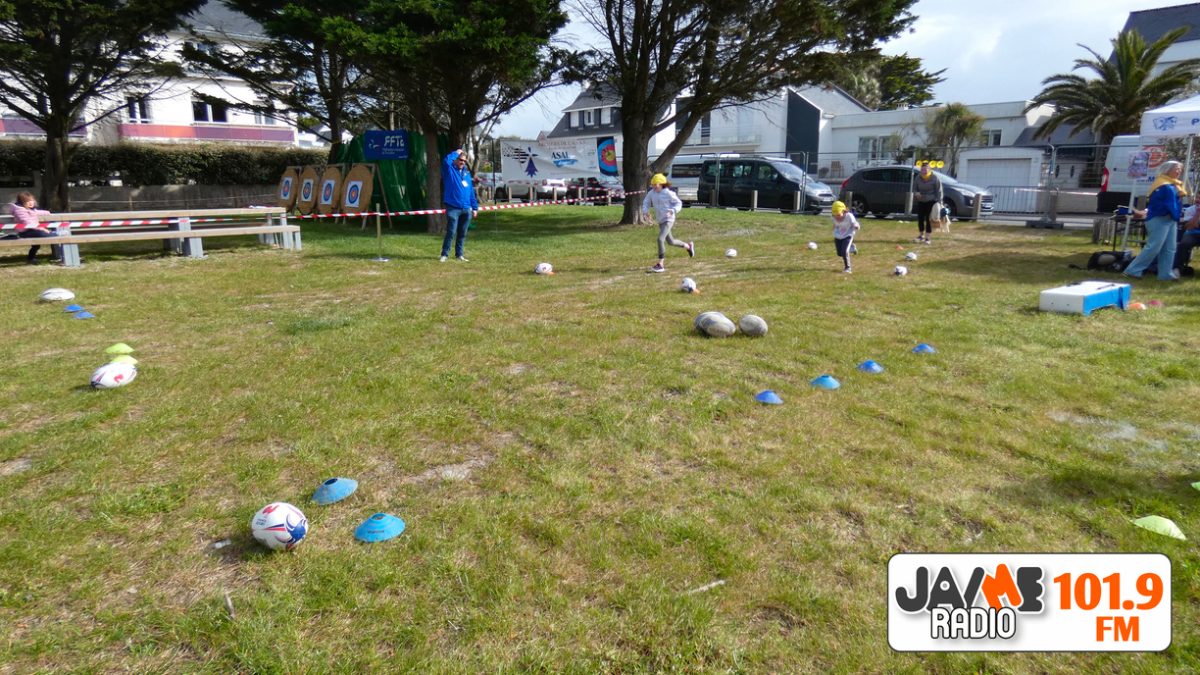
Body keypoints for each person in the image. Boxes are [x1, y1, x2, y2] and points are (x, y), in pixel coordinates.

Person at [1123, 160, 1185, 281]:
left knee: (1169, 248)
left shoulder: (1171, 185)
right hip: (1159, 218)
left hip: (1169, 219)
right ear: (1167, 170)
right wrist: (1177, 215)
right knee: (1154, 247)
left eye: (1180, 169)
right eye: (1176, 169)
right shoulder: (1163, 185)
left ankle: (1165, 274)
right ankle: (1133, 270)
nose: (1179, 171)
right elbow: (1168, 205)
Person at [641, 173, 691, 272]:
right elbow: (646, 202)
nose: (654, 186)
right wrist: (646, 212)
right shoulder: (651, 193)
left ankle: (660, 264)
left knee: (660, 239)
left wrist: (673, 210)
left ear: (662, 184)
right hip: (660, 220)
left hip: (669, 219)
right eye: (653, 184)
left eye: (656, 184)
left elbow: (679, 203)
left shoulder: (668, 193)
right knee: (671, 241)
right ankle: (688, 246)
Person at [439, 149, 479, 262]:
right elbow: (446, 161)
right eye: (461, 160)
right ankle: (444, 254)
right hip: (453, 208)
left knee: (462, 233)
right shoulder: (450, 170)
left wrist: (475, 207)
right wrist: (456, 153)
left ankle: (459, 255)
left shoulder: (466, 174)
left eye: (464, 161)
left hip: (466, 209)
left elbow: (470, 192)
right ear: (456, 160)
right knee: (451, 232)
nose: (462, 162)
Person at [5, 192, 61, 265]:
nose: (31, 203)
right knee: (42, 235)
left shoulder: (31, 209)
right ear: (22, 203)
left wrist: (48, 212)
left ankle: (31, 259)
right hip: (25, 232)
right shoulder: (20, 210)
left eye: (32, 200)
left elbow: (37, 212)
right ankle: (55, 234)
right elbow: (28, 222)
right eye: (27, 201)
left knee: (36, 245)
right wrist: (41, 228)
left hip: (33, 230)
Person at [912, 161, 942, 244]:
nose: (923, 171)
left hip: (931, 201)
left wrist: (939, 202)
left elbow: (939, 191)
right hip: (921, 201)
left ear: (929, 170)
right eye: (922, 170)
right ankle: (921, 235)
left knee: (929, 219)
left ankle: (928, 238)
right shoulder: (918, 178)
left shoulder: (935, 178)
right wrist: (916, 193)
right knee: (920, 218)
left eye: (925, 170)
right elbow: (915, 188)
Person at [830, 200, 860, 274]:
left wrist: (856, 226)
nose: (837, 217)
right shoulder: (834, 217)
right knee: (839, 253)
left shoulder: (849, 216)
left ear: (844, 211)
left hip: (848, 235)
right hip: (838, 236)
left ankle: (848, 268)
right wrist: (833, 229)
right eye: (835, 215)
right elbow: (835, 224)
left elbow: (854, 223)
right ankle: (852, 247)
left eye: (838, 215)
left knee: (844, 252)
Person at [1171, 202, 1200, 275]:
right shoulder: (1190, 210)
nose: (1198, 200)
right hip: (1193, 233)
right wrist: (1197, 214)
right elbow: (1189, 227)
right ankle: (1179, 267)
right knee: (1184, 243)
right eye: (1197, 197)